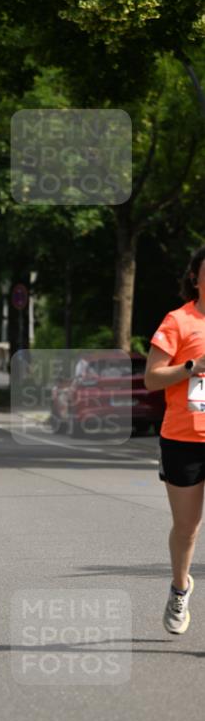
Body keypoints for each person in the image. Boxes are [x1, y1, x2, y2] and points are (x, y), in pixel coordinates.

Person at [145, 246, 205, 634]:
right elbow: (152, 378)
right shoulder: (178, 321)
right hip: (184, 438)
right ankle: (180, 587)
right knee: (187, 528)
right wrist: (191, 367)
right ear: (196, 278)